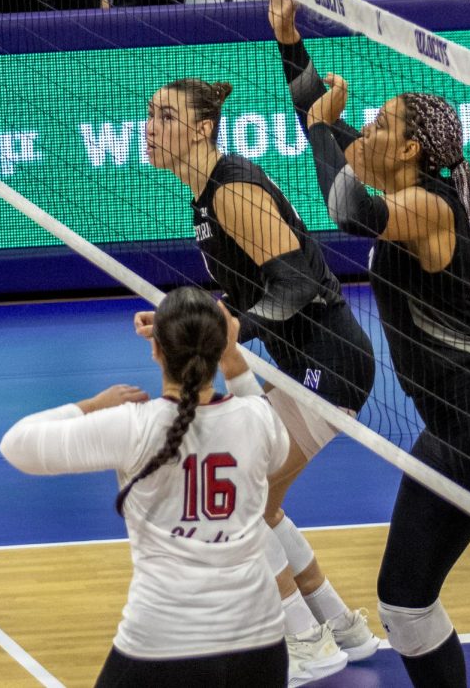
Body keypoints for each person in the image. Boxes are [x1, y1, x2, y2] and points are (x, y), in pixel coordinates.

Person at [269, 0, 470, 688]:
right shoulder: (405, 183)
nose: (363, 130)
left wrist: (320, 129)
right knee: (403, 601)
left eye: (378, 126)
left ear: (407, 151)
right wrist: (289, 39)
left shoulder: (430, 208)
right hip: (449, 427)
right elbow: (327, 124)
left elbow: (344, 203)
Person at [144, 75, 378, 682]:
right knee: (261, 501)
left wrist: (229, 331)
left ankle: (304, 641)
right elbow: (249, 287)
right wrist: (185, 321)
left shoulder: (231, 192)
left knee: (242, 504)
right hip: (304, 365)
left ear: (202, 130)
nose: (151, 126)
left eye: (165, 116)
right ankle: (339, 626)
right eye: (149, 114)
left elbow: (296, 284)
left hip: (329, 364)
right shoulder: (204, 194)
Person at [1, 288, 291, 687]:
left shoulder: (133, 425)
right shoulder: (257, 419)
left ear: (156, 351)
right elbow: (274, 442)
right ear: (223, 344)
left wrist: (91, 405)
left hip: (163, 645)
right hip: (260, 644)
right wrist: (232, 355)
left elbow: (16, 445)